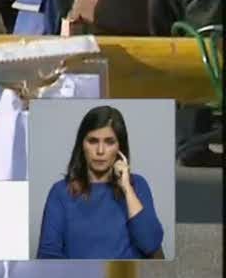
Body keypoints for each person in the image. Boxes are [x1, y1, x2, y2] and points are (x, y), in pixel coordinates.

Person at [37, 105, 164, 259]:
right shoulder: (61, 191)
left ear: (120, 148)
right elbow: (48, 256)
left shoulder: (137, 185)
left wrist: (126, 188)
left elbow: (151, 245)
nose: (100, 151)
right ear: (82, 145)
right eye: (93, 141)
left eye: (109, 142)